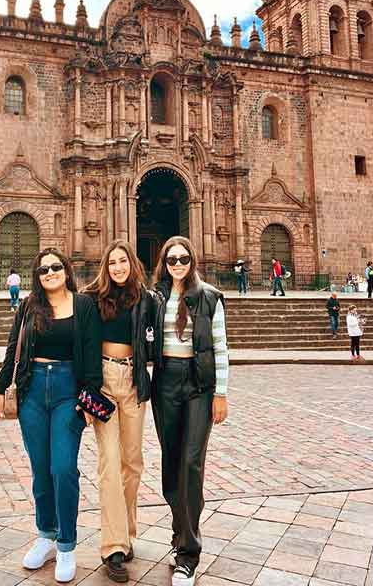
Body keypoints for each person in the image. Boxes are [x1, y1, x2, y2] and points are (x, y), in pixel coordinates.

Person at [0, 248, 102, 582]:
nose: (50, 273)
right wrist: (1, 386)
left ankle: (67, 545)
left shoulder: (84, 305)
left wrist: (90, 397)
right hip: (33, 391)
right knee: (41, 470)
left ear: (66, 271)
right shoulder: (29, 305)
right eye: (43, 269)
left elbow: (93, 351)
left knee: (63, 468)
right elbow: (14, 346)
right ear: (37, 276)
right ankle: (46, 535)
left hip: (69, 391)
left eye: (55, 267)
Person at [151, 236, 229, 586]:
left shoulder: (209, 297)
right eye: (172, 259)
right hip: (165, 382)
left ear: (192, 260)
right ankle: (179, 530)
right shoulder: (155, 298)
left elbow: (220, 346)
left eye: (183, 258)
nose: (178, 264)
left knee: (192, 462)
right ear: (164, 263)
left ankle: (188, 553)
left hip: (199, 385)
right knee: (171, 463)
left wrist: (221, 393)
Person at [83, 240, 159, 583]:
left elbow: (159, 341)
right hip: (103, 382)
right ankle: (113, 545)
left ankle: (125, 532)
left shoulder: (145, 299)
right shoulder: (91, 299)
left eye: (123, 261)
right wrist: (85, 392)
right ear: (105, 266)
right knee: (109, 464)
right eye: (112, 262)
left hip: (133, 382)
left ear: (132, 265)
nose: (117, 267)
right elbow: (80, 346)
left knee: (133, 461)